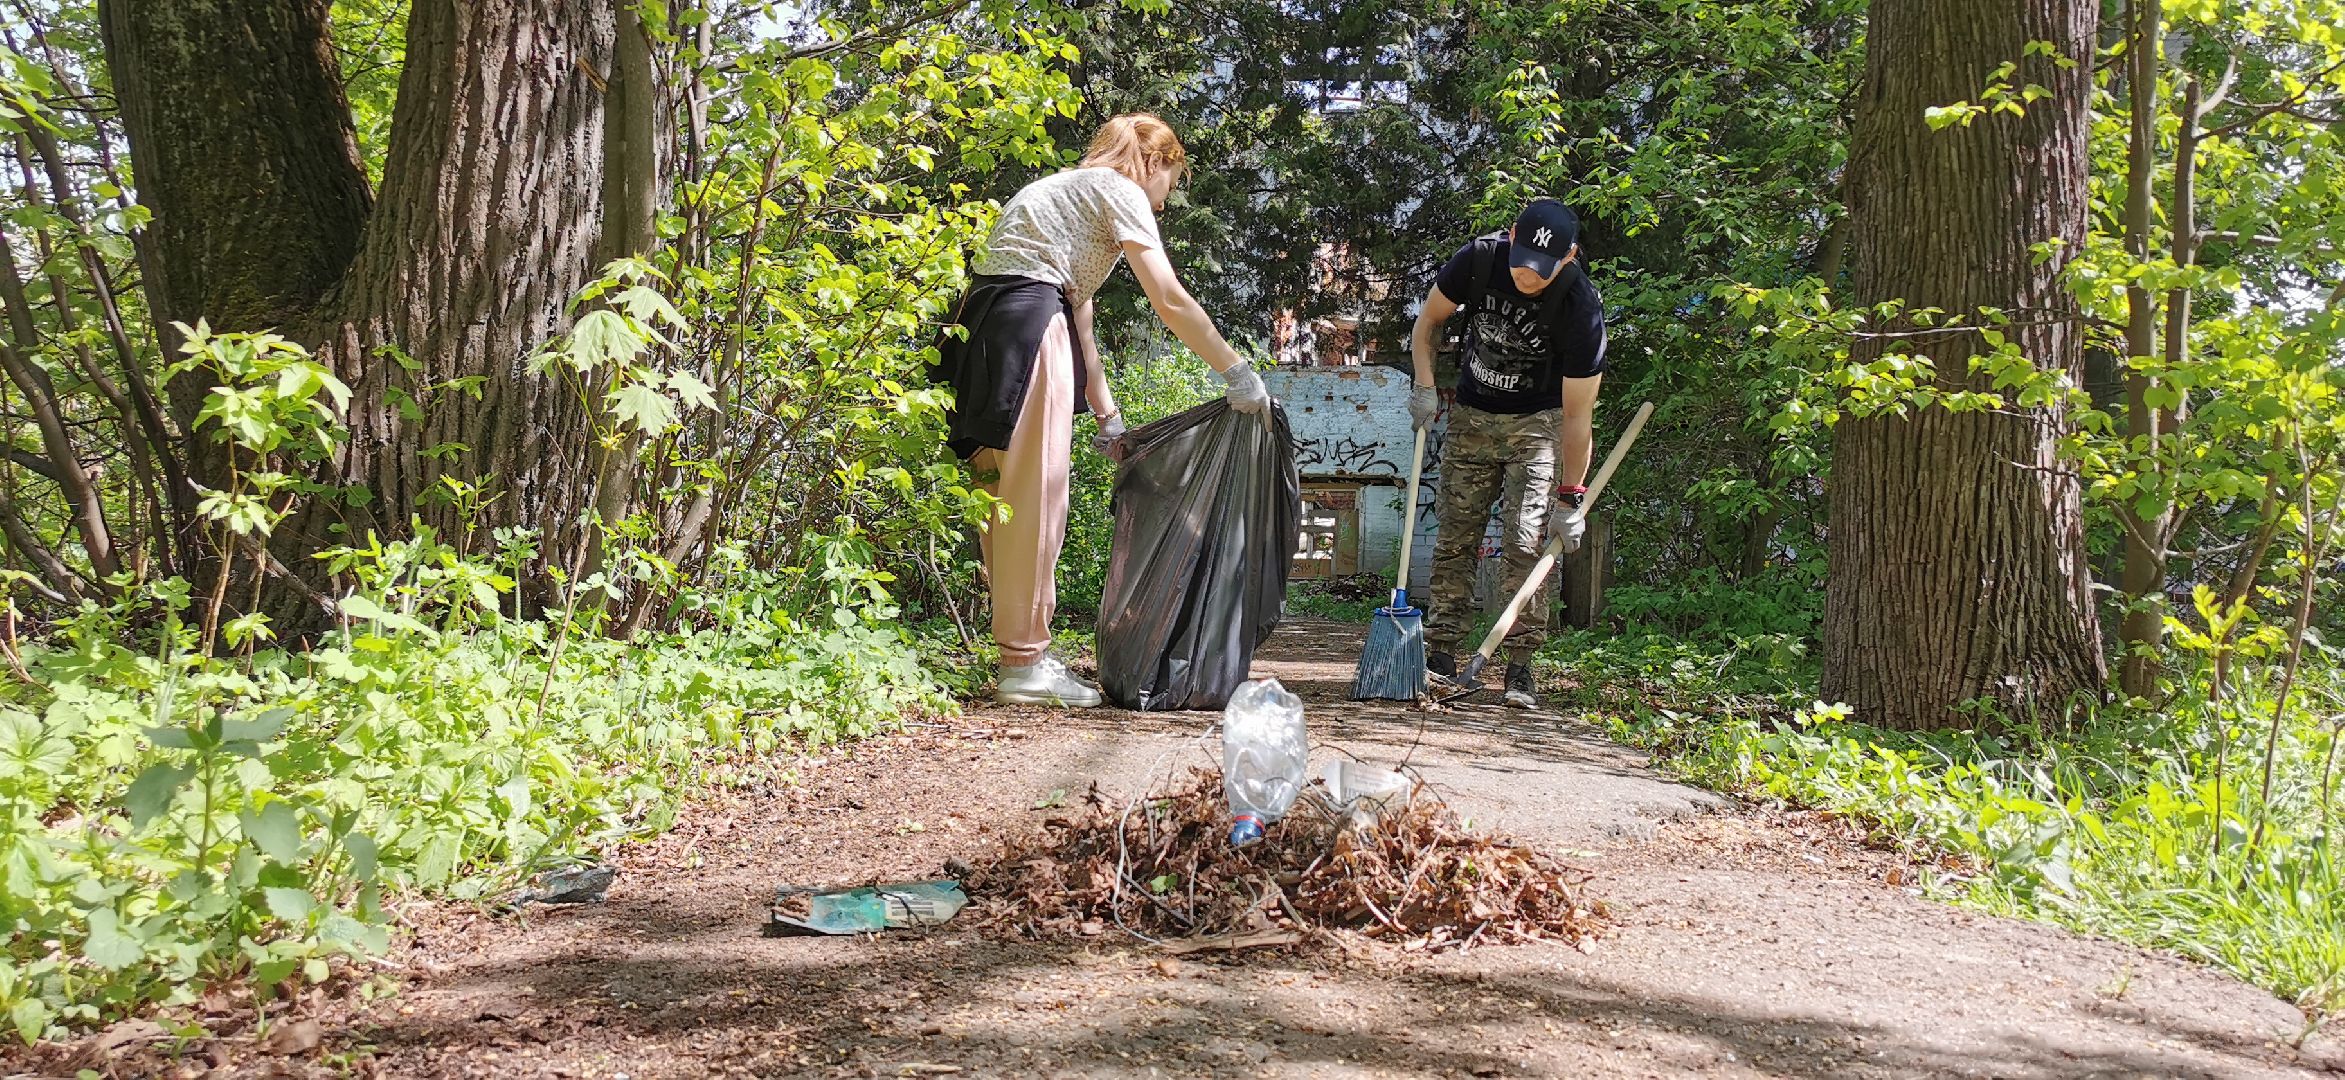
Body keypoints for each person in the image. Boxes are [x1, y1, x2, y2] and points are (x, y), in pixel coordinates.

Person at [934, 113, 1270, 708]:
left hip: (979, 332)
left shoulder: (1062, 193)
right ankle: (1024, 665)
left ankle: (1019, 654)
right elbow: (1168, 297)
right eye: (1171, 182)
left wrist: (1106, 416)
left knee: (998, 498)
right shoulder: (1119, 189)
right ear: (1154, 161)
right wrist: (1235, 370)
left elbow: (1081, 321)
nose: (1164, 202)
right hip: (1031, 327)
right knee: (1036, 500)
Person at [1407, 198, 1608, 709]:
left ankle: (1519, 666)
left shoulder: (1581, 307)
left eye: (1542, 269)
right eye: (1522, 260)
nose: (1527, 275)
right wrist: (1425, 385)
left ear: (1568, 257)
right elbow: (1428, 322)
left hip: (1537, 423)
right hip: (1473, 414)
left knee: (1524, 541)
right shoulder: (1479, 258)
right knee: (1455, 535)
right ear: (1513, 235)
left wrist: (1571, 497)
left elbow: (1577, 416)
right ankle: (1441, 653)